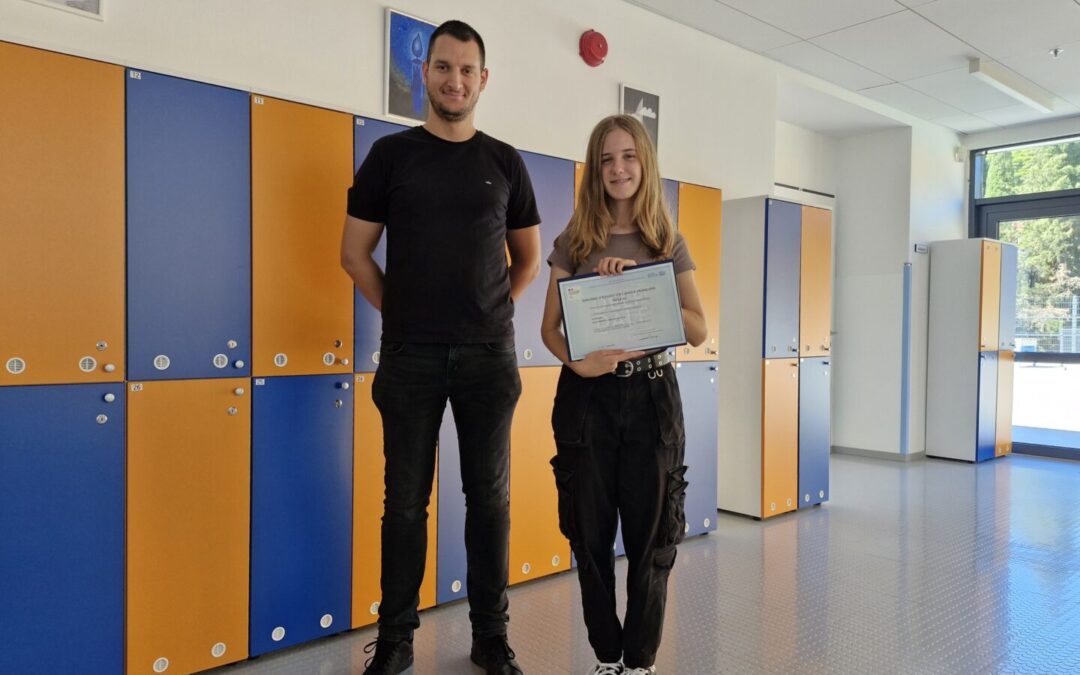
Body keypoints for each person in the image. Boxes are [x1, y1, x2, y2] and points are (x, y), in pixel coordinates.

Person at [341, 19, 541, 675]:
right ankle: (395, 641)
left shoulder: (505, 161)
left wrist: (494, 310)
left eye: (467, 70)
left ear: (483, 80)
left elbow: (528, 257)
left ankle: (490, 637)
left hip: (489, 358)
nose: (456, 80)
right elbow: (354, 253)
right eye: (444, 67)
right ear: (424, 73)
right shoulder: (390, 156)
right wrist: (401, 312)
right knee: (404, 504)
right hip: (411, 359)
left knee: (490, 500)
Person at [539, 115, 706, 675]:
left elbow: (697, 328)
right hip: (587, 400)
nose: (618, 169)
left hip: (653, 399)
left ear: (645, 164)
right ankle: (607, 657)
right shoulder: (574, 241)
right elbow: (550, 330)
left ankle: (639, 662)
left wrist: (641, 283)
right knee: (588, 535)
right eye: (607, 159)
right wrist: (578, 363)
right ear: (595, 169)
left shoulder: (667, 241)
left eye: (629, 156)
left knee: (652, 537)